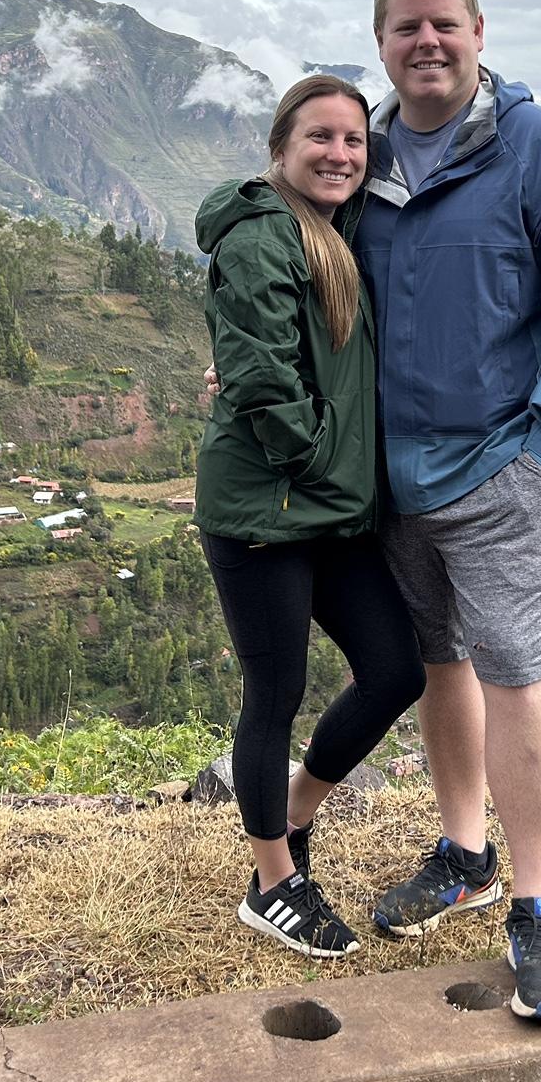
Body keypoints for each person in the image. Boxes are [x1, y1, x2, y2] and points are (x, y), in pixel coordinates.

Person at [355, 0, 541, 1022]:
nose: (427, 42)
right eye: (406, 27)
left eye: (445, 25)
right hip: (395, 482)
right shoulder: (362, 156)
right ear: (381, 42)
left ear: (478, 35)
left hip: (503, 472)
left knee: (518, 671)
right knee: (441, 662)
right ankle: (464, 853)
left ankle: (534, 904)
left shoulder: (538, 147)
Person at [194, 73, 426, 961]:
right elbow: (257, 374)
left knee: (394, 669)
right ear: (280, 151)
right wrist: (320, 459)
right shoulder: (263, 234)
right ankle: (272, 884)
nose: (340, 154)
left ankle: (292, 816)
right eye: (320, 138)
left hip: (327, 509)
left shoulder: (330, 231)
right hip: (267, 508)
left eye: (354, 141)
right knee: (276, 694)